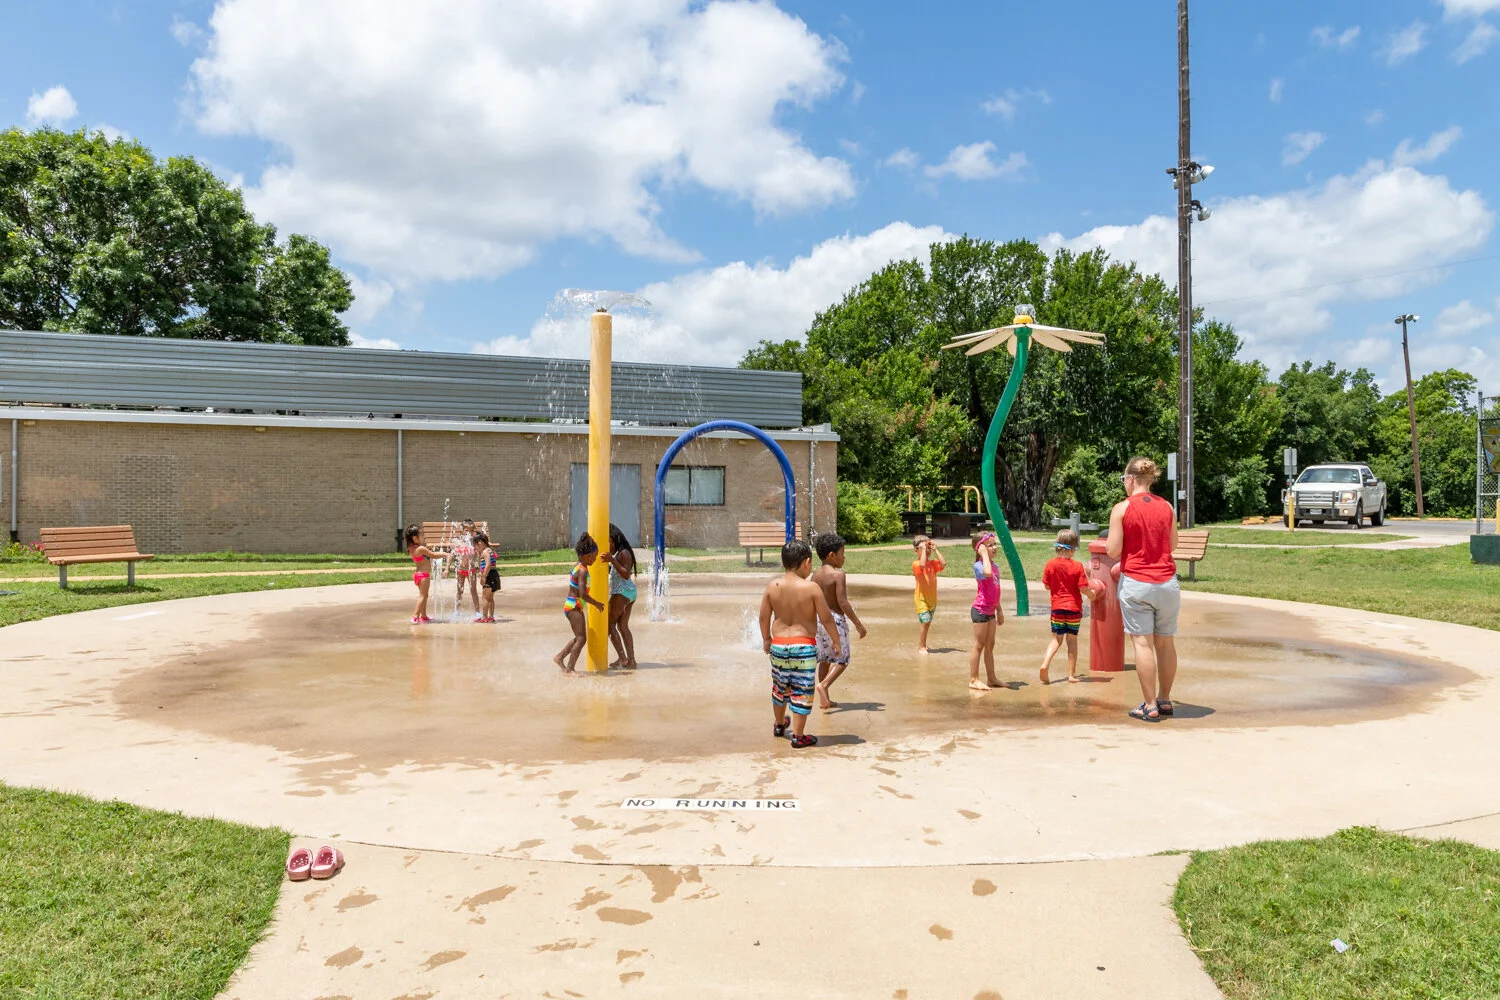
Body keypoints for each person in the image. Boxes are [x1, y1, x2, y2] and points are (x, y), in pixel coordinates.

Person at [1106, 456, 1181, 721]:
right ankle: (1165, 700)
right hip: (1168, 584)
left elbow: (1113, 550)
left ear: (1130, 479)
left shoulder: (1122, 508)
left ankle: (1149, 706)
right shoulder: (1167, 506)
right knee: (1166, 643)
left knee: (1142, 643)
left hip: (1137, 583)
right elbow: (1171, 546)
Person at [758, 538, 840, 749]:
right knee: (802, 691)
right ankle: (798, 735)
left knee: (780, 688)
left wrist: (766, 638)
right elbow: (827, 618)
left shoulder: (772, 586)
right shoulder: (811, 588)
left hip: (778, 646)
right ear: (806, 562)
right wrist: (836, 641)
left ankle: (779, 725)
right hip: (803, 648)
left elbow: (763, 617)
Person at [811, 533, 867, 710]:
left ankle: (824, 699)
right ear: (831, 555)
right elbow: (842, 602)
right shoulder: (838, 575)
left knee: (825, 659)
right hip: (835, 621)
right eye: (842, 553)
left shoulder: (815, 576)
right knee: (842, 659)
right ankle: (824, 685)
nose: (845, 557)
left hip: (820, 621)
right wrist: (858, 623)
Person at [1039, 528, 1099, 684]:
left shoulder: (1050, 564)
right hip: (1073, 609)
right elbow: (1083, 588)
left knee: (1056, 640)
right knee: (1071, 641)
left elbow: (1046, 586)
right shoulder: (1077, 566)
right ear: (1072, 549)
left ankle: (1045, 664)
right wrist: (1092, 595)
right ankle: (1071, 675)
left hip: (1057, 608)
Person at [553, 532, 606, 672]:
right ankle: (570, 669)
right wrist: (596, 603)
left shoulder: (580, 566)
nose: (594, 560)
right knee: (582, 639)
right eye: (593, 557)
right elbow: (582, 594)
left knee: (579, 637)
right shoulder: (582, 570)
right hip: (574, 606)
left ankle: (559, 657)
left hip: (573, 605)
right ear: (586, 556)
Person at [968, 532, 1004, 691]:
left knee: (990, 645)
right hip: (980, 610)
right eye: (990, 545)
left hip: (991, 610)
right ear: (980, 549)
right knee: (979, 645)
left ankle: (992, 678)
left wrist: (1000, 610)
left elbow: (995, 590)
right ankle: (973, 679)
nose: (995, 547)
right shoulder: (979, 566)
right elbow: (987, 573)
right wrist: (983, 555)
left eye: (995, 544)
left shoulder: (995, 566)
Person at [603, 523, 638, 669]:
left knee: (608, 624)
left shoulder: (623, 553)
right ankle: (631, 660)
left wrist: (612, 560)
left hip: (622, 592)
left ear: (614, 540)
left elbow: (625, 574)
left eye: (608, 542)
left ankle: (622, 658)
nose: (608, 545)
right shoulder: (620, 553)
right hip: (628, 592)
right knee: (623, 626)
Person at [403, 524, 447, 624]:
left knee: (424, 596)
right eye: (421, 534)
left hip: (418, 575)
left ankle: (423, 616)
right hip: (424, 575)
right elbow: (434, 555)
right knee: (423, 596)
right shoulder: (421, 549)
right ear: (415, 538)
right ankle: (415, 616)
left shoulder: (413, 548)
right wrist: (445, 554)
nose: (423, 536)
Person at [911, 534, 946, 653]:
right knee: (925, 622)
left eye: (929, 548)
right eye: (925, 549)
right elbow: (922, 565)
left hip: (932, 600)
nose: (928, 551)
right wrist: (924, 550)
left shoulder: (933, 563)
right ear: (916, 551)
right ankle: (921, 646)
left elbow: (943, 564)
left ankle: (923, 643)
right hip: (921, 599)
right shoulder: (916, 564)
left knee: (927, 623)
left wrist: (936, 549)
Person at [454, 519, 481, 617]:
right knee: (459, 591)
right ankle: (457, 611)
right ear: (462, 530)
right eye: (466, 530)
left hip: (471, 570)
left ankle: (477, 611)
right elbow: (453, 555)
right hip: (460, 570)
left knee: (473, 590)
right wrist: (447, 567)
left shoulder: (474, 542)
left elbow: (478, 555)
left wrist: (479, 569)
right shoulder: (458, 541)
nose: (468, 533)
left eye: (471, 530)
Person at [474, 530, 500, 623]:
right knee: (490, 598)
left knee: (485, 598)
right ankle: (491, 616)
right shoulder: (490, 550)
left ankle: (484, 617)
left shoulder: (485, 552)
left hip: (489, 576)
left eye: (476, 545)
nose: (475, 547)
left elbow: (488, 564)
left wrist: (484, 576)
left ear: (480, 543)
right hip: (494, 574)